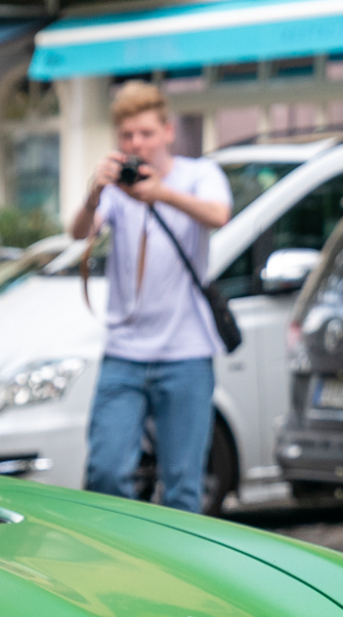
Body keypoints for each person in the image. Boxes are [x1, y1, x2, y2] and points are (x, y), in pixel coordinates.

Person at [70, 82, 232, 513]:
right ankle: (128, 555)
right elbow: (78, 233)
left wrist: (161, 193)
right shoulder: (118, 193)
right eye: (126, 136)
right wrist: (94, 193)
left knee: (183, 486)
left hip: (186, 353)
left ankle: (175, 574)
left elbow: (218, 215)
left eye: (144, 133)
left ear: (167, 131)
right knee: (104, 472)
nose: (136, 143)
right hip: (124, 355)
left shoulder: (199, 175)